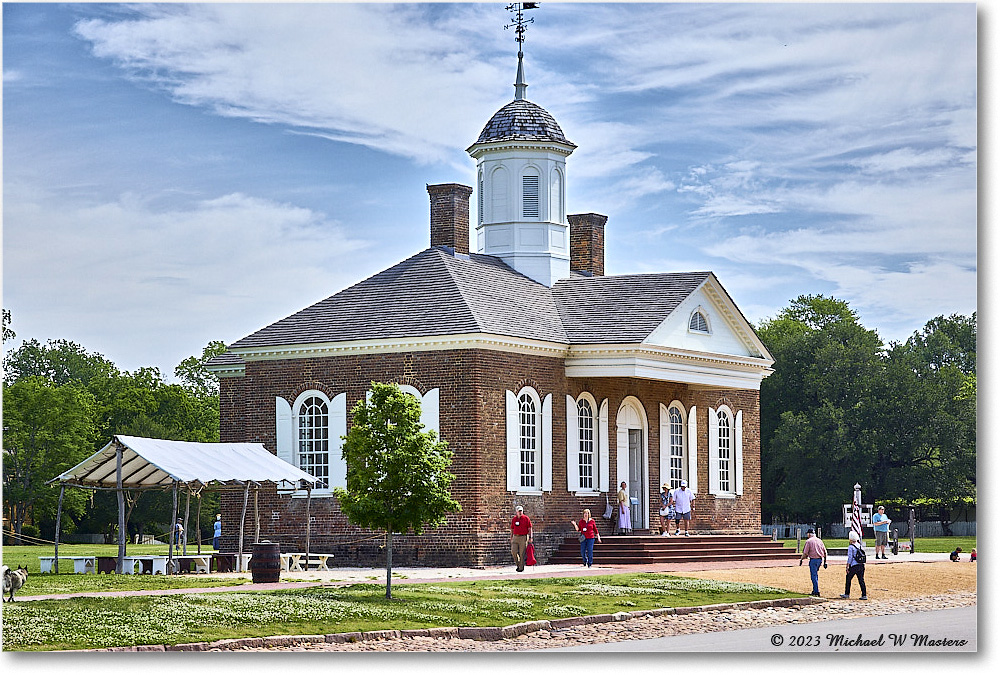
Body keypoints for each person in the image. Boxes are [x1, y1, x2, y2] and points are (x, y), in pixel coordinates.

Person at [799, 528, 828, 596]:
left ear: (809, 534)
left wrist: (801, 559)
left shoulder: (808, 541)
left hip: (813, 560)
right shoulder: (820, 541)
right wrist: (825, 562)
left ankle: (816, 591)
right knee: (815, 574)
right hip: (820, 559)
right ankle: (815, 588)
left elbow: (805, 553)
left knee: (813, 575)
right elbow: (825, 552)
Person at [840, 531, 868, 600]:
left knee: (848, 579)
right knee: (861, 580)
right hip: (861, 565)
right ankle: (864, 594)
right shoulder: (859, 545)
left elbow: (850, 557)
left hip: (854, 565)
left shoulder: (851, 547)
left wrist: (847, 566)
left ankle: (847, 593)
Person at [510, 505, 533, 572]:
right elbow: (512, 528)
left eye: (521, 511)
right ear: (516, 512)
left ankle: (521, 568)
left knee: (522, 553)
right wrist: (511, 537)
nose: (520, 512)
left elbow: (530, 528)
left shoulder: (526, 518)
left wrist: (531, 537)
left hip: (523, 537)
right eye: (519, 511)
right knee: (514, 551)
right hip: (515, 536)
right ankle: (518, 564)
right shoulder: (514, 519)